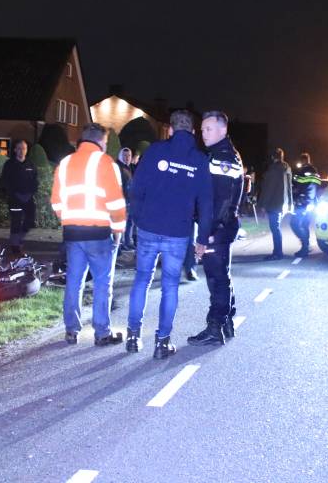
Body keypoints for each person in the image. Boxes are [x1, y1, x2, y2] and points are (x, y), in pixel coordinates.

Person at [126, 110, 213, 359]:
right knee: (170, 285)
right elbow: (206, 204)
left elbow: (136, 188)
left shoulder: (154, 152)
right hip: (177, 232)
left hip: (149, 228)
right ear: (193, 133)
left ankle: (133, 336)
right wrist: (202, 239)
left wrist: (139, 218)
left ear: (171, 130)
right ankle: (162, 342)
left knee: (142, 280)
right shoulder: (199, 161)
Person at [51, 123, 127, 346]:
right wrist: (118, 229)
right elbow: (115, 202)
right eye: (105, 142)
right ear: (100, 141)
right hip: (99, 233)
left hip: (73, 234)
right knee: (103, 283)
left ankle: (71, 330)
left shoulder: (64, 164)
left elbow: (56, 201)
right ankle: (102, 332)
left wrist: (69, 220)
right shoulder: (105, 163)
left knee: (74, 281)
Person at [187, 110, 244, 346]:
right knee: (222, 275)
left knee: (216, 278)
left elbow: (221, 201)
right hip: (222, 227)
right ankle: (226, 320)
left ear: (223, 130)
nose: (204, 133)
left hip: (217, 229)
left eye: (208, 129)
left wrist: (207, 234)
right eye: (202, 129)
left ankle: (215, 326)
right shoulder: (223, 154)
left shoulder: (222, 158)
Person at [0, 139, 38, 255]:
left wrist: (31, 193)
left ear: (27, 150)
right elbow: (5, 181)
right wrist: (14, 194)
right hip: (15, 198)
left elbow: (35, 181)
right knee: (16, 222)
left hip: (28, 198)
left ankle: (19, 238)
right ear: (15, 150)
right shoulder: (9, 164)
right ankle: (15, 245)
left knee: (30, 220)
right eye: (19, 148)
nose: (22, 151)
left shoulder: (31, 164)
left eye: (24, 148)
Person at [258, 148, 293, 260]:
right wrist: (290, 203)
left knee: (275, 228)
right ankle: (277, 252)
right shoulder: (287, 168)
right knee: (276, 227)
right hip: (283, 203)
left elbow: (268, 189)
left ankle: (277, 253)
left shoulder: (273, 170)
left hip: (274, 203)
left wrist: (263, 205)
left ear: (273, 157)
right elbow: (290, 188)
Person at [290, 152, 322, 257]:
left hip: (302, 202)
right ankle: (306, 247)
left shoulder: (302, 172)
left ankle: (305, 247)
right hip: (312, 203)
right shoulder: (316, 172)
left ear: (303, 161)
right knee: (304, 225)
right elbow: (318, 186)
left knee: (294, 224)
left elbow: (296, 186)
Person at [116, 147, 135, 251]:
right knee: (124, 222)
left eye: (129, 155)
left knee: (130, 222)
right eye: (125, 155)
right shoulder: (119, 167)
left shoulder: (129, 167)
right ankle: (122, 243)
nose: (127, 158)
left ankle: (128, 242)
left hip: (130, 199)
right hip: (123, 200)